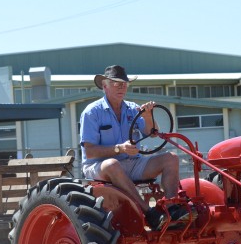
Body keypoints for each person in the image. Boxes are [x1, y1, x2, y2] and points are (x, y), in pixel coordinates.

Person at [80, 65, 191, 230]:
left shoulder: (132, 108)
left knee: (171, 159)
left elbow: (152, 132)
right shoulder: (92, 112)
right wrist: (119, 148)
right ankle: (150, 213)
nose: (121, 87)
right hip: (99, 166)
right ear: (104, 86)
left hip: (132, 163)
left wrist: (148, 116)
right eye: (116, 84)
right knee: (112, 164)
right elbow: (89, 152)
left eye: (124, 84)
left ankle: (172, 209)